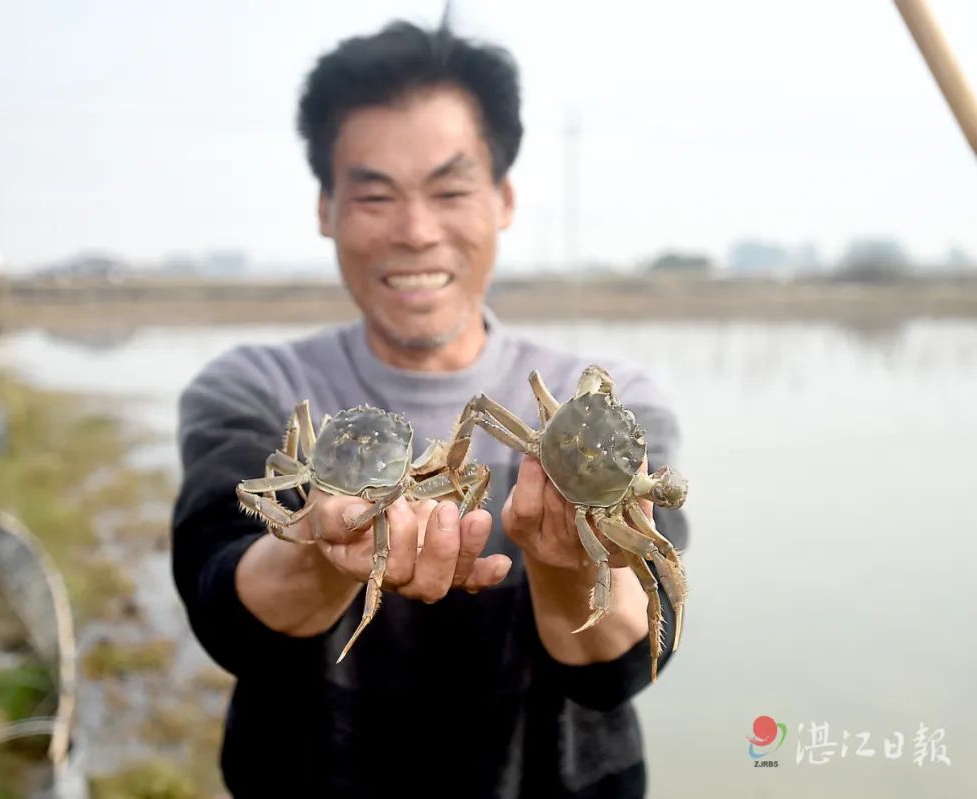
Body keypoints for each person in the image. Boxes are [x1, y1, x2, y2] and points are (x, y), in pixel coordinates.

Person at [172, 19, 688, 799]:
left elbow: (620, 661)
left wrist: (565, 562)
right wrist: (320, 543)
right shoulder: (258, 390)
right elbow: (222, 604)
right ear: (325, 208)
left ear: (504, 199)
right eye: (375, 194)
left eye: (449, 190)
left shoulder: (617, 393)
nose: (415, 232)